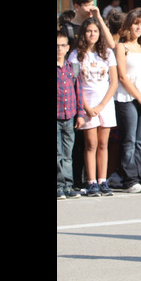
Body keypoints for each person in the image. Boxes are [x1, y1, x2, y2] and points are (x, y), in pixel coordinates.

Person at [68, 18, 118, 197]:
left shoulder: (108, 54)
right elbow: (74, 83)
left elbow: (114, 82)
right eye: (89, 31)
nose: (92, 34)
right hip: (86, 104)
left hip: (105, 103)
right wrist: (87, 107)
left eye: (95, 31)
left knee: (104, 143)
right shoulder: (76, 55)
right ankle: (91, 182)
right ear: (83, 33)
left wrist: (102, 105)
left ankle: (102, 181)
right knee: (91, 144)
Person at [114, 9, 141, 193]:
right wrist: (138, 97)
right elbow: (123, 77)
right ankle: (130, 179)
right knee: (129, 140)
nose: (139, 27)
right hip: (128, 98)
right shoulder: (121, 47)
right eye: (135, 23)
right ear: (128, 25)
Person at [58, 29, 86, 199]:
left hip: (69, 117)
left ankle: (68, 185)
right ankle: (59, 185)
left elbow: (78, 92)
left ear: (68, 47)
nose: (59, 49)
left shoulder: (72, 68)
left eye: (62, 46)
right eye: (56, 46)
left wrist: (80, 114)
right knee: (58, 154)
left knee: (68, 154)